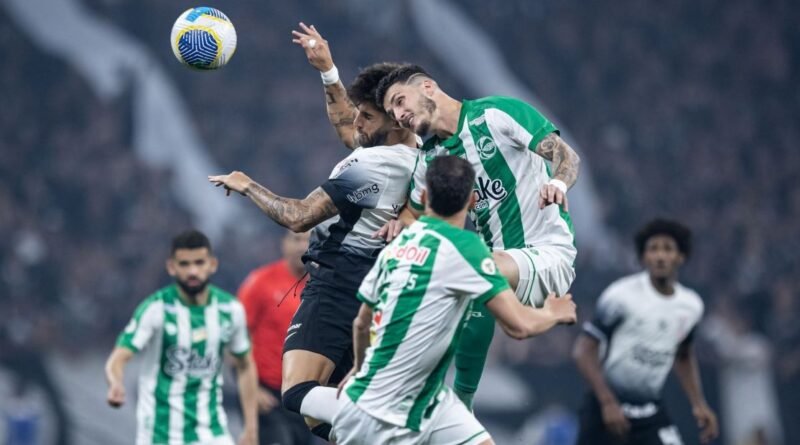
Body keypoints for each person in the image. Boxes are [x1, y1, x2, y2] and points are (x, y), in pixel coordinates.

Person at [208, 32, 419, 440]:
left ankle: (398, 432)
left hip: (338, 287)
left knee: (299, 394)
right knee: (325, 414)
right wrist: (328, 72)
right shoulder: (415, 153)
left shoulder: (371, 167)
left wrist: (247, 185)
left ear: (394, 121)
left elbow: (299, 217)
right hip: (376, 289)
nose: (357, 123)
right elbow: (350, 132)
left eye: (367, 117)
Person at [375, 64, 581, 409]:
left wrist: (557, 183)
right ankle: (430, 399)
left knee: (476, 267)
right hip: (493, 269)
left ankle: (461, 397)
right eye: (392, 112)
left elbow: (565, 155)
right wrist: (400, 224)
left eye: (399, 101)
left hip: (548, 255)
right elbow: (413, 212)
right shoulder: (431, 159)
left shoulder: (496, 114)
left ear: (427, 87)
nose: (398, 116)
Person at [333, 155, 577, 445]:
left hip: (404, 395)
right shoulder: (467, 248)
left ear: (423, 197)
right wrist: (553, 311)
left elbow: (362, 324)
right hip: (386, 414)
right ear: (473, 201)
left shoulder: (399, 246)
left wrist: (359, 370)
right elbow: (519, 326)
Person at [571, 219, 719, 445]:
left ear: (681, 257)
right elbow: (583, 351)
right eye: (653, 249)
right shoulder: (620, 296)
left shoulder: (691, 306)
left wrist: (699, 404)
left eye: (667, 249)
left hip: (650, 412)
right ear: (643, 257)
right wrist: (607, 402)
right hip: (606, 411)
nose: (660, 256)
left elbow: (683, 354)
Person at [104, 229, 258, 445]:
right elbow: (119, 356)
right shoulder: (155, 309)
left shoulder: (230, 310)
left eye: (199, 263)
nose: (192, 271)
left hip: (212, 433)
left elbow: (244, 365)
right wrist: (115, 382)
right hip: (161, 435)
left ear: (212, 265)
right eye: (184, 264)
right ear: (171, 267)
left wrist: (251, 428)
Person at [237, 230, 312, 445]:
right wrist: (254, 391)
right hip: (268, 396)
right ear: (283, 243)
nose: (302, 246)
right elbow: (236, 341)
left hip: (304, 397)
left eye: (308, 240)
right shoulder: (260, 282)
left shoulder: (322, 286)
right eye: (296, 239)